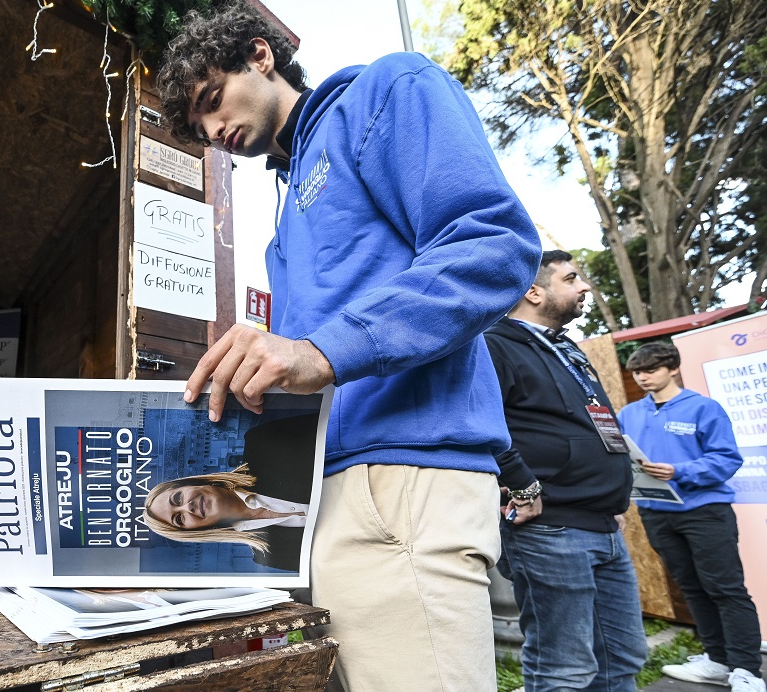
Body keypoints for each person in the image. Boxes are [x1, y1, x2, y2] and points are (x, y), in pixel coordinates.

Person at [156, 3, 541, 689]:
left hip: (404, 477)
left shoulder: (384, 91)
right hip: (318, 499)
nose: (214, 131)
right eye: (201, 130)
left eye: (212, 100)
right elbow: (309, 366)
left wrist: (319, 351)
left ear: (261, 56)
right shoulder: (281, 230)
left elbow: (493, 247)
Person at [483, 250, 648, 691]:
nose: (585, 286)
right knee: (565, 669)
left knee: (622, 656)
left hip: (604, 525)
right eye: (572, 278)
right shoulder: (494, 345)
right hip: (551, 530)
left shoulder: (567, 347)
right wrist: (522, 484)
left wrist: (611, 499)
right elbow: (482, 423)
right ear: (534, 292)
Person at [618, 343, 764, 692]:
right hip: (656, 512)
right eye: (638, 372)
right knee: (692, 589)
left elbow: (727, 459)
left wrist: (679, 471)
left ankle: (746, 670)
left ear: (673, 368)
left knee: (725, 589)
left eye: (651, 369)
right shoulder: (629, 414)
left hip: (704, 512)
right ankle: (717, 660)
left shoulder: (704, 408)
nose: (642, 377)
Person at [143, 413, 316, 571]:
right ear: (191, 531)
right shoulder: (268, 555)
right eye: (179, 519)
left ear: (190, 484)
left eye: (177, 498)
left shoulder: (262, 443)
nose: (188, 507)